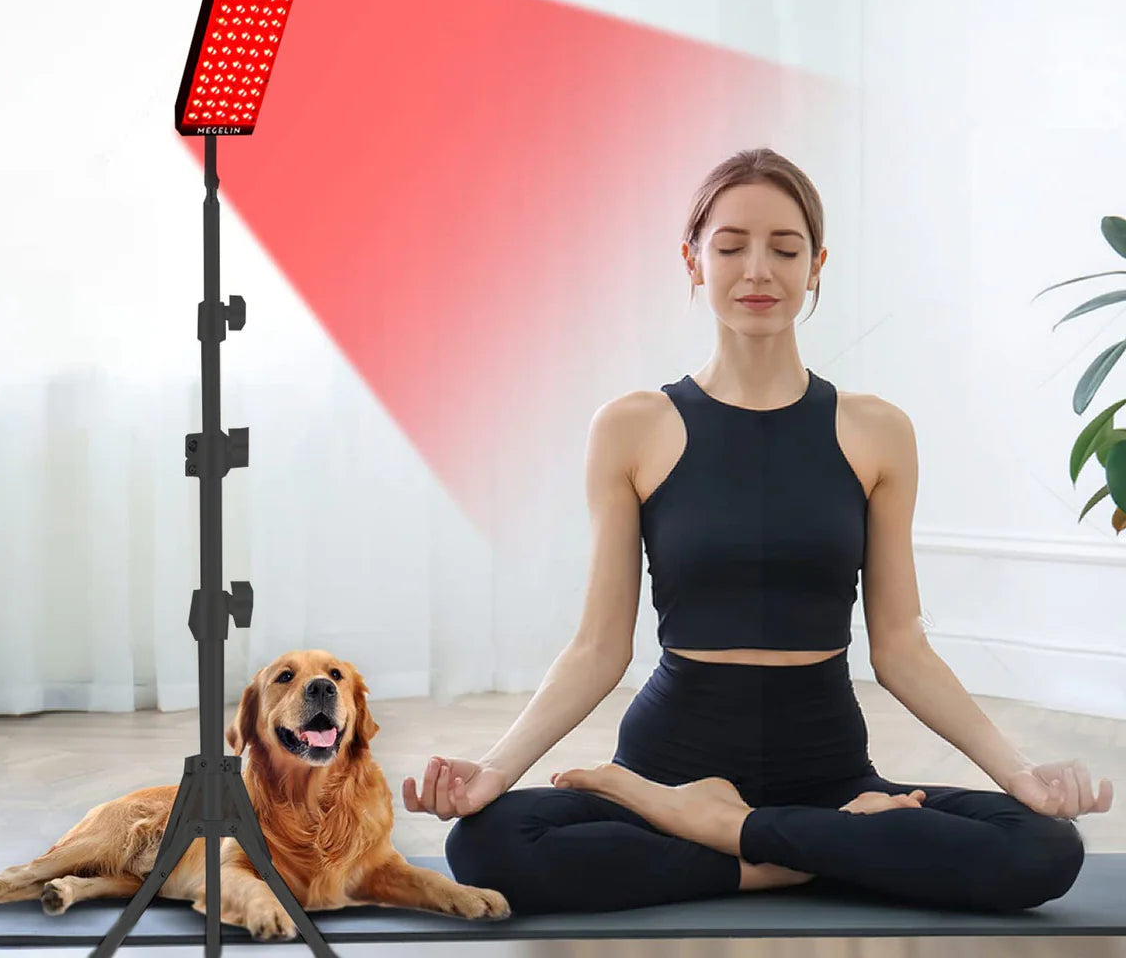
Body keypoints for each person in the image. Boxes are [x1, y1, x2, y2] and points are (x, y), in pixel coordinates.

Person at [403, 147, 1114, 916]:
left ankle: (726, 830)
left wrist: (1020, 777)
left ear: (816, 266)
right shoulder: (633, 427)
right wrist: (495, 773)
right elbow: (599, 647)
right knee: (485, 844)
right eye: (731, 245)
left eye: (785, 248)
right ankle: (794, 850)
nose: (758, 270)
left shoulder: (877, 431)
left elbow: (901, 646)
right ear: (692, 260)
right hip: (668, 767)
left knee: (1044, 847)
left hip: (829, 771)